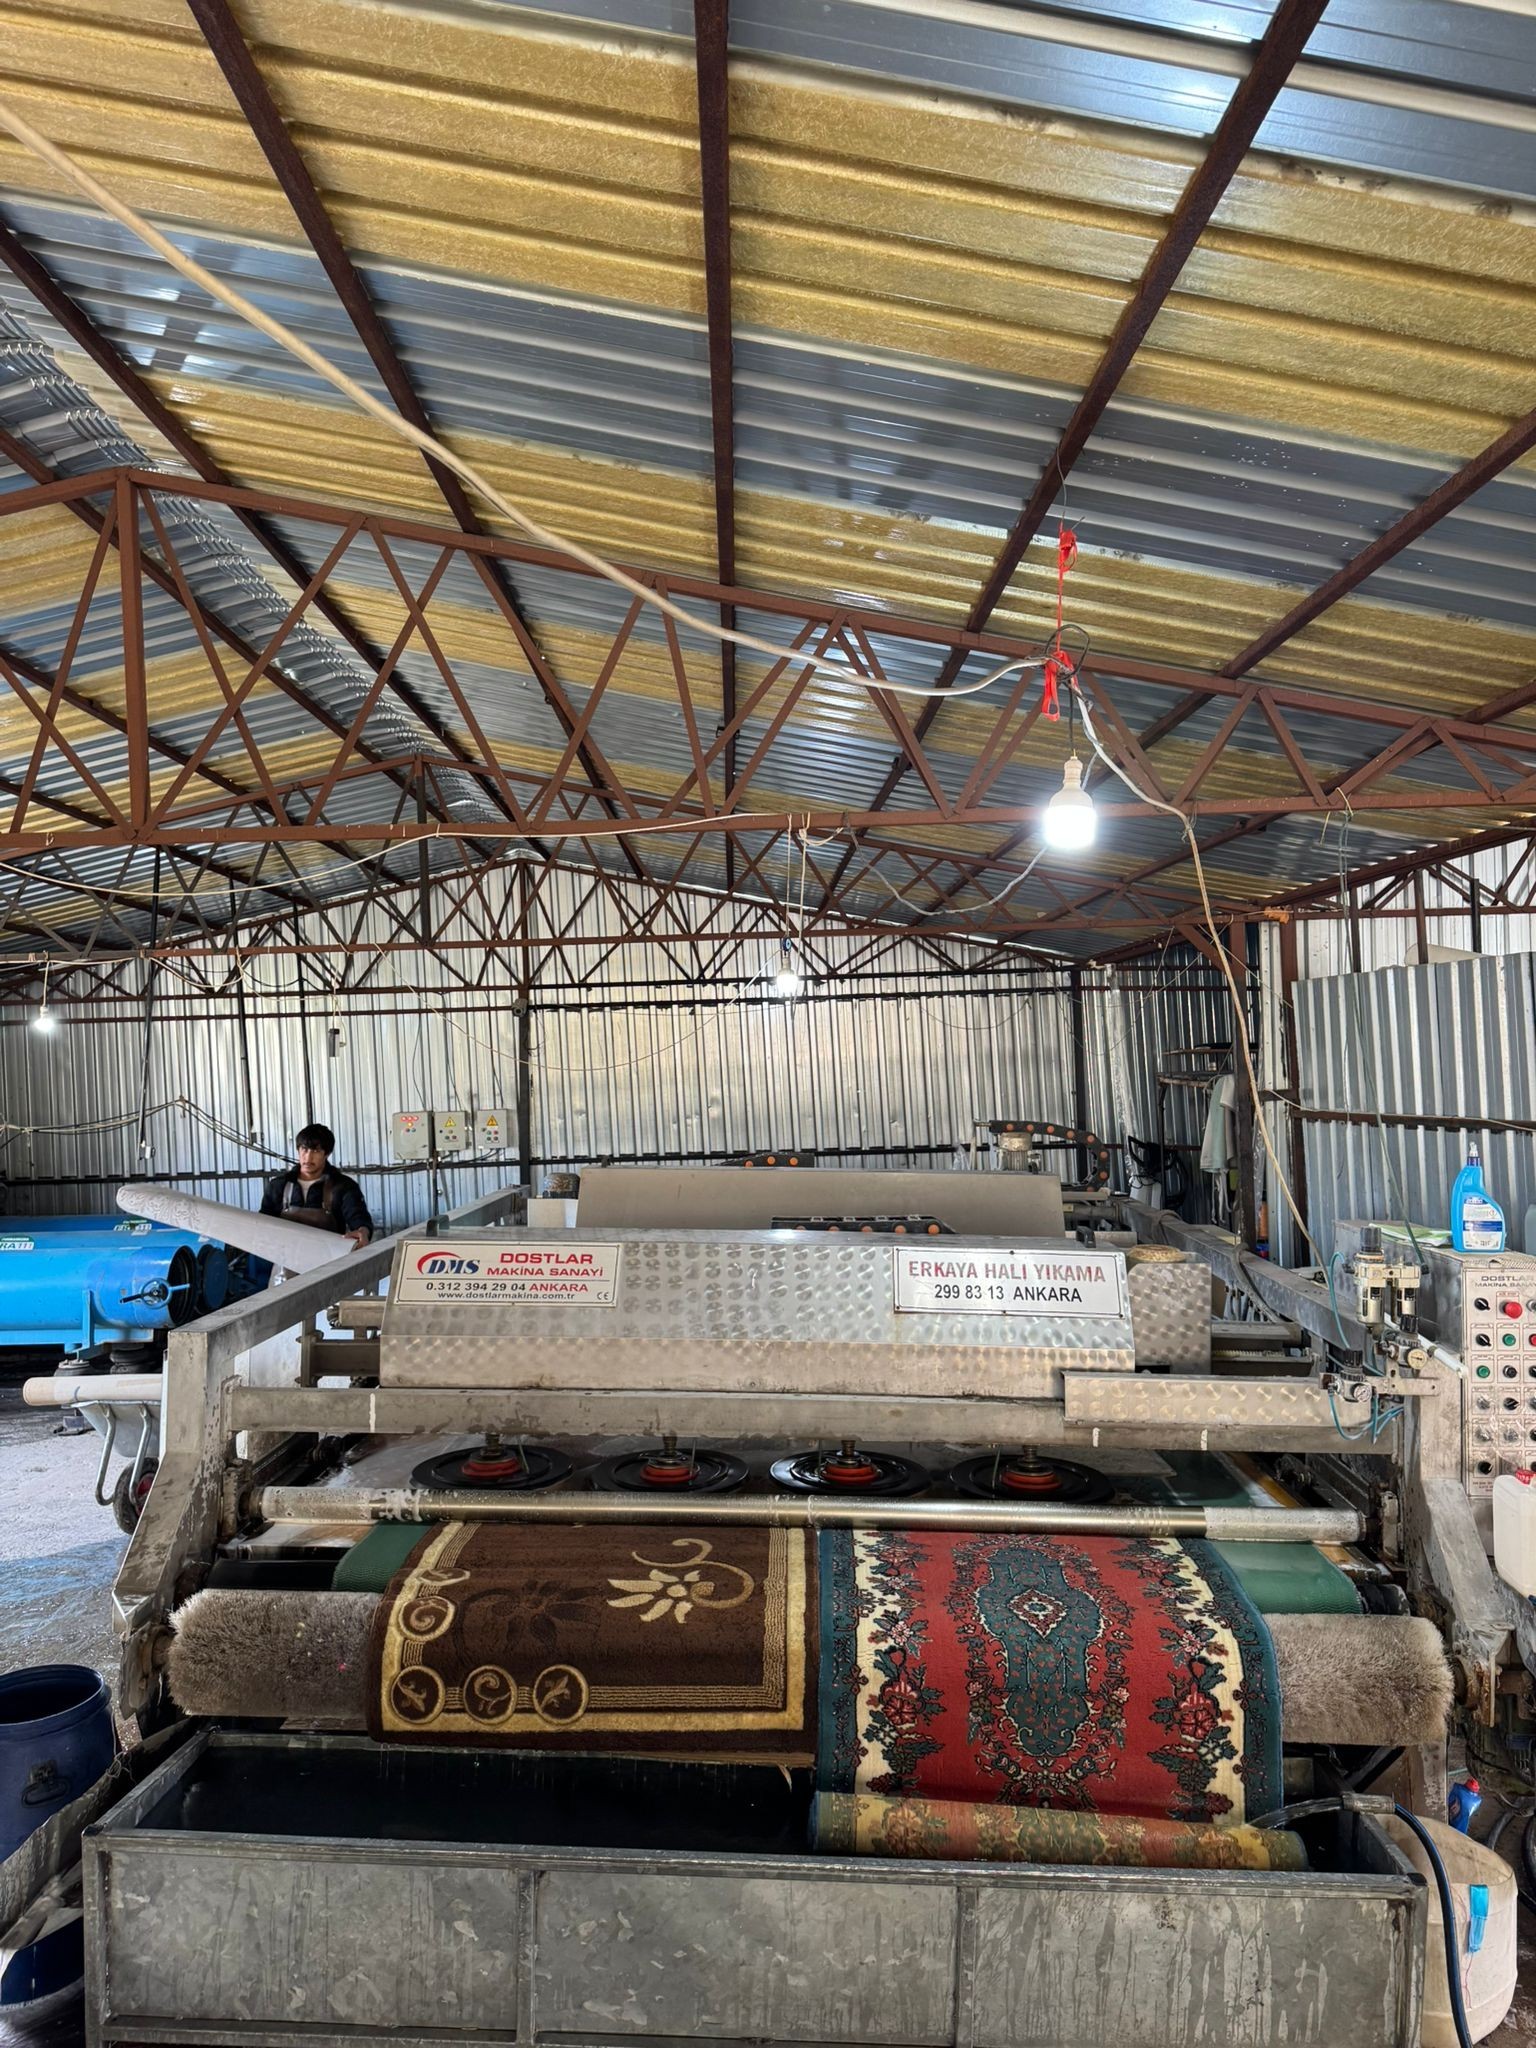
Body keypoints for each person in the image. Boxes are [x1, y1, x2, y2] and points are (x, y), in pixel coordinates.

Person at [259, 1123, 373, 1249]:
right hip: (283, 1254)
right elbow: (263, 1222)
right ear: (298, 1150)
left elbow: (358, 1217)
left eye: (316, 1151)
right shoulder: (278, 1185)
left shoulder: (343, 1186)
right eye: (304, 1149)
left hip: (329, 1256)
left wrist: (363, 1231)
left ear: (327, 1154)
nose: (308, 1157)